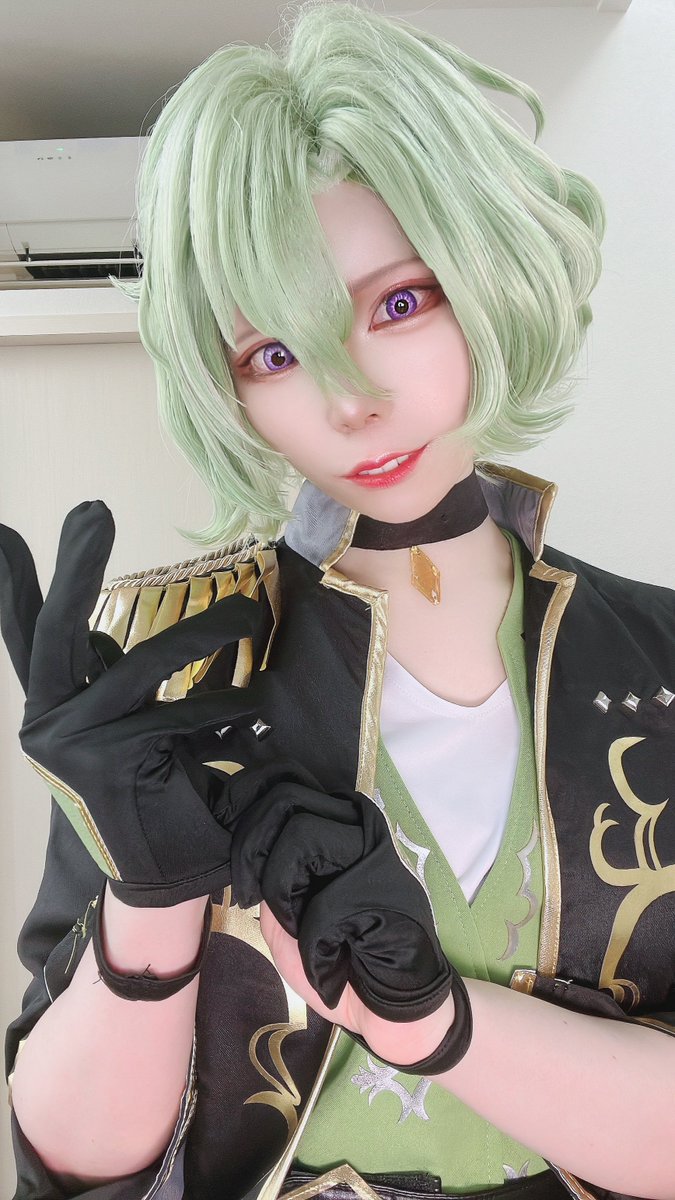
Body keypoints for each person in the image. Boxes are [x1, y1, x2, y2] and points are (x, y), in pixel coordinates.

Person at [2, 3, 675, 1199]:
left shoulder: (663, 658)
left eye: (399, 304)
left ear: (489, 274)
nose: (350, 398)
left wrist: (439, 1025)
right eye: (273, 354)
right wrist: (149, 907)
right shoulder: (168, 681)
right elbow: (69, 1164)